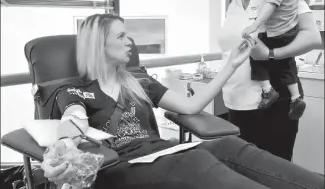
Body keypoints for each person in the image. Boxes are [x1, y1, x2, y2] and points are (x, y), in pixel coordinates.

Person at [41, 14, 324, 189]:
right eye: (121, 35)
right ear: (99, 44)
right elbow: (73, 122)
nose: (130, 41)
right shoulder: (75, 91)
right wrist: (63, 150)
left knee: (230, 146)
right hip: (120, 168)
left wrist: (232, 64)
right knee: (194, 161)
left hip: (162, 154)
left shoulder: (138, 81)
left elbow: (191, 106)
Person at [218, 0, 322, 160]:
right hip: (236, 101)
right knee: (244, 170)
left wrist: (270, 54)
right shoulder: (233, 6)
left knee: (275, 170)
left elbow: (312, 36)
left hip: (274, 100)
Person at [241, 0, 310, 119]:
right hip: (290, 32)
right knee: (286, 65)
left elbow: (270, 6)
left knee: (256, 56)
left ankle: (267, 90)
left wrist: (255, 25)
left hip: (275, 32)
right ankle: (296, 97)